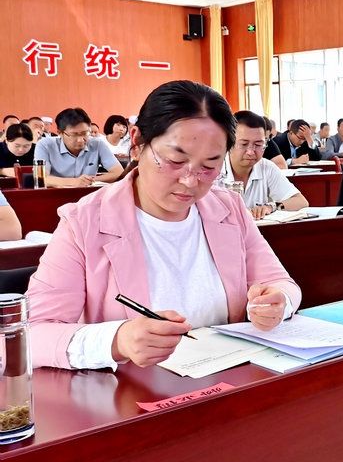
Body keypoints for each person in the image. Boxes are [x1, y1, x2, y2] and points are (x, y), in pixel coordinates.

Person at [25, 80, 302, 370]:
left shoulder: (228, 209)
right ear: (137, 142)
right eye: (175, 160)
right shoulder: (84, 222)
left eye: (209, 166)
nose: (190, 181)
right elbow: (33, 332)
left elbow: (281, 283)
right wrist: (116, 340)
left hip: (225, 381)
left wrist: (278, 302)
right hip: (130, 389)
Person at [217, 111, 308, 219]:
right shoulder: (214, 168)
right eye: (244, 144)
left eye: (258, 144)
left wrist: (271, 207)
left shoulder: (266, 167)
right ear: (229, 142)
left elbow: (301, 201)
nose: (251, 152)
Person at [34, 108, 123, 187]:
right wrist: (74, 182)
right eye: (74, 134)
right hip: (56, 195)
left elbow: (118, 172)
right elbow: (40, 178)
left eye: (85, 133)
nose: (80, 140)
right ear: (60, 133)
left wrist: (88, 181)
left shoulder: (97, 144)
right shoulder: (45, 145)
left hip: (88, 196)